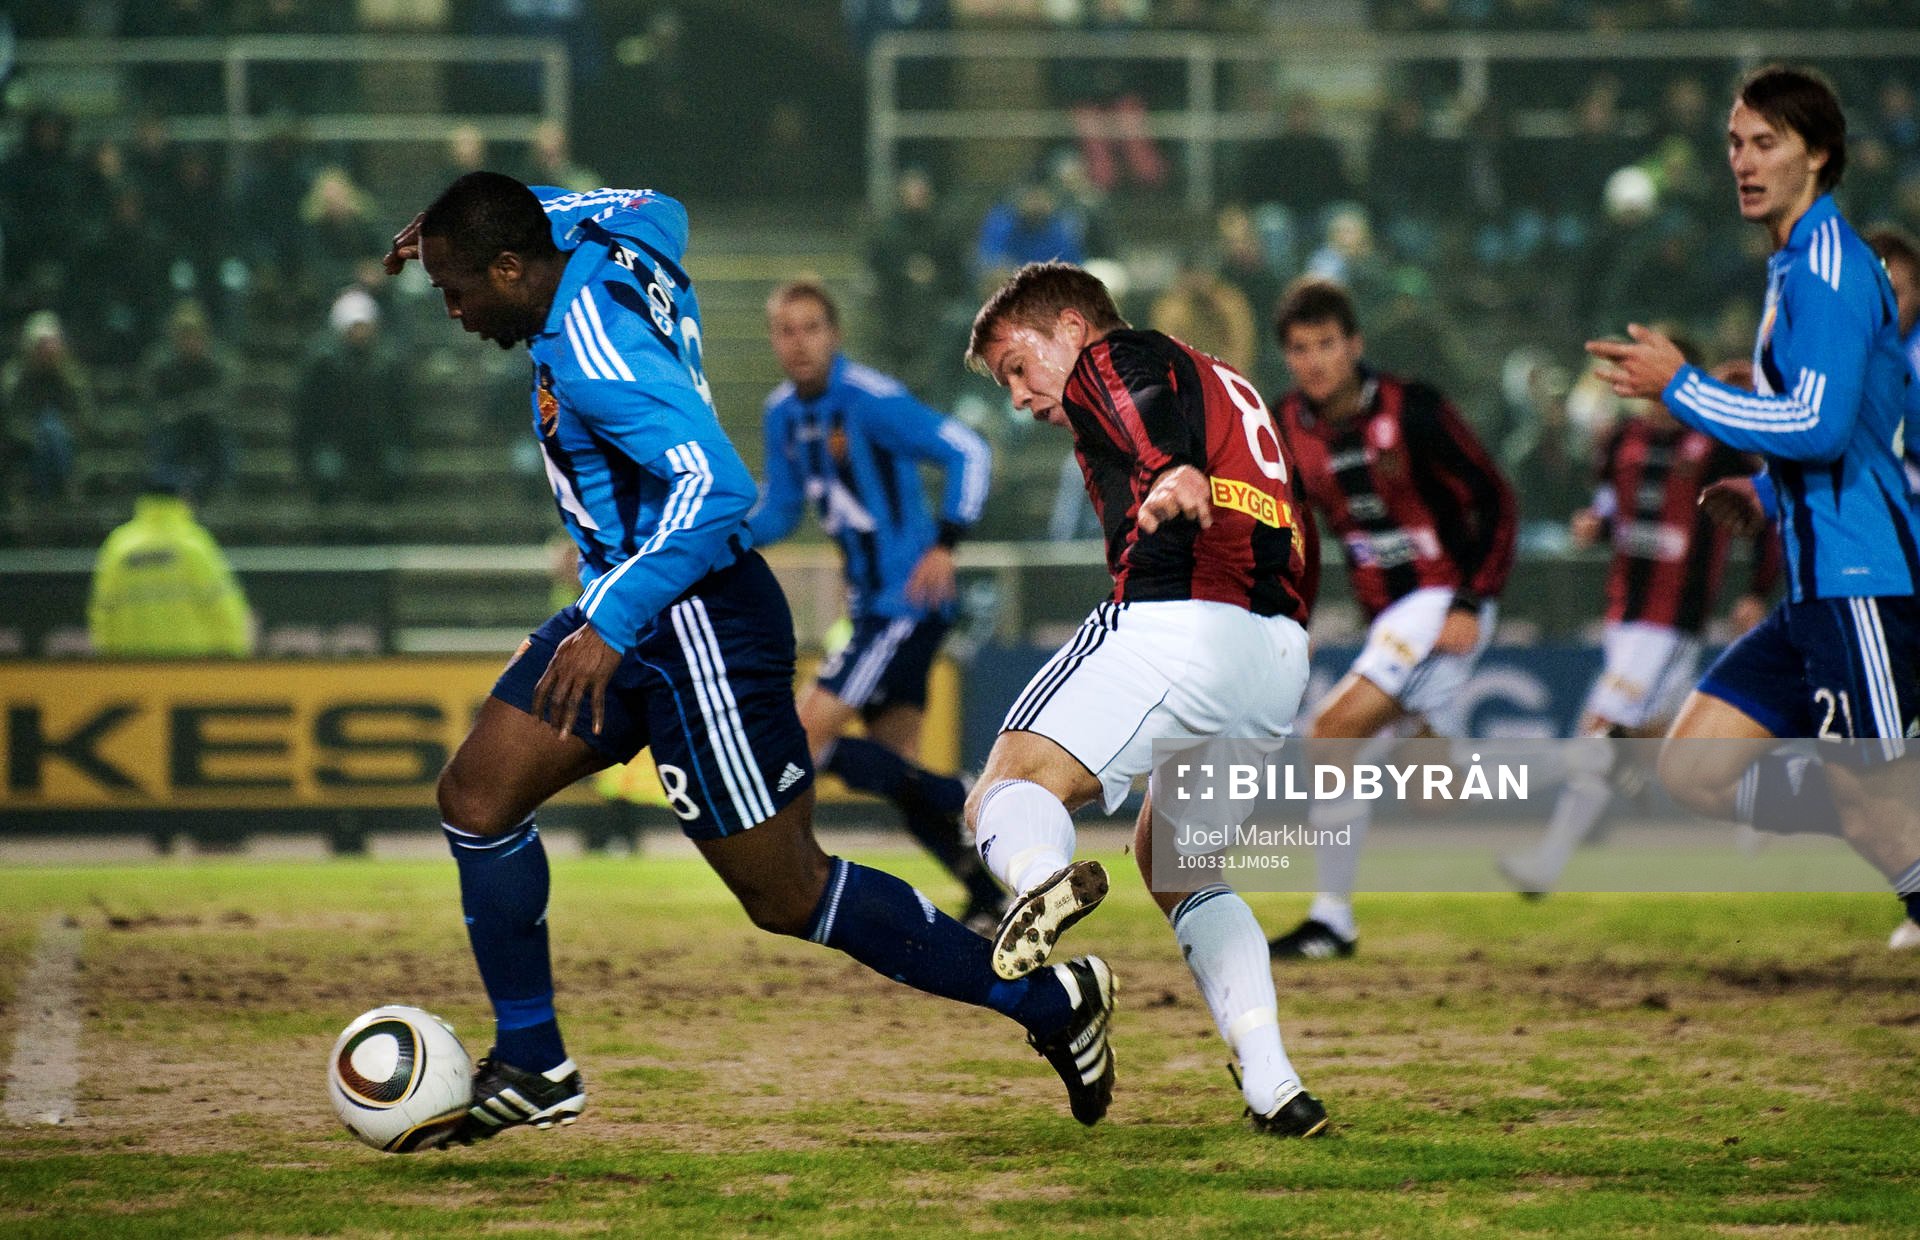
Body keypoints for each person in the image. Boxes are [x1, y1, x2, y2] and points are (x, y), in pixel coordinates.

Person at [384, 173, 1115, 1144]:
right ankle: (534, 1060)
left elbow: (715, 488)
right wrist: (494, 212)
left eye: (458, 285)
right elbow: (657, 204)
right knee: (476, 799)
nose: (454, 308)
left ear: (514, 267)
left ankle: (1050, 1003)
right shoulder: (615, 242)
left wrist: (609, 622)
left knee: (787, 889)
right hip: (627, 604)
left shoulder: (595, 352)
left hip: (692, 624)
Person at [963, 260, 1329, 1137]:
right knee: (1178, 866)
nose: (1018, 396)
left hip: (1180, 623)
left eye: (1019, 366)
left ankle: (1043, 880)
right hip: (1277, 653)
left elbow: (1130, 400)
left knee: (1005, 790)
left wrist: (1170, 468)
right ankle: (1275, 1085)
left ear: (1070, 329)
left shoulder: (1112, 358)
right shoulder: (1226, 381)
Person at [1586, 65, 1920, 950]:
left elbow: (1816, 426)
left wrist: (1682, 385)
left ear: (1817, 153)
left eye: (1765, 143)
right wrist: (1766, 490)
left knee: (1879, 805)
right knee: (1693, 767)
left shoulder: (1829, 266)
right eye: (1735, 143)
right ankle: (1885, 810)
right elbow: (1861, 430)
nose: (1742, 160)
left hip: (1863, 580)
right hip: (1817, 585)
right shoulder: (1794, 266)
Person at [1267, 277, 1518, 960]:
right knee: (1435, 795)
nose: (1314, 360)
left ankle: (1331, 920)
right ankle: (1564, 781)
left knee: (1330, 733)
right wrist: (1293, 611)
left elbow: (1496, 499)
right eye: (1299, 348)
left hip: (1441, 600)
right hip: (1391, 617)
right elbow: (1294, 529)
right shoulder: (1287, 425)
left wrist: (1472, 599)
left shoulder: (1414, 409)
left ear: (1355, 345)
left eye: (1326, 344)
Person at [750, 280, 1006, 931]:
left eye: (811, 327)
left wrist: (946, 542)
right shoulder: (782, 414)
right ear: (774, 341)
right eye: (786, 330)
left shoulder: (869, 400)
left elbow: (968, 450)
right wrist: (716, 538)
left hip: (905, 606)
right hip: (874, 612)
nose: (799, 342)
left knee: (801, 734)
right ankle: (987, 893)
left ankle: (971, 794)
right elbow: (780, 511)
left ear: (833, 335)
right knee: (899, 774)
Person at [1500, 345, 1776, 895]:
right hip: (1624, 614)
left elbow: (1771, 502)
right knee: (1652, 741)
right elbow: (1610, 507)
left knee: (1597, 734)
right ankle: (1755, 786)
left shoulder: (1717, 445)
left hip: (1673, 618)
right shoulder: (1620, 441)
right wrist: (1592, 525)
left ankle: (1541, 858)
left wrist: (1757, 591)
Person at [88, 477, 252, 658]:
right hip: (189, 668)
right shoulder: (194, 544)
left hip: (131, 669)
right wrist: (234, 656)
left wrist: (106, 661)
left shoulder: (118, 546)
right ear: (182, 500)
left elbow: (101, 612)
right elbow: (224, 607)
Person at [292, 289, 414, 504]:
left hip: (378, 441)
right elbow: (308, 414)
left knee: (393, 470)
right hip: (333, 441)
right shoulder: (323, 365)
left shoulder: (388, 363)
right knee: (326, 474)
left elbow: (403, 411)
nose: (359, 332)